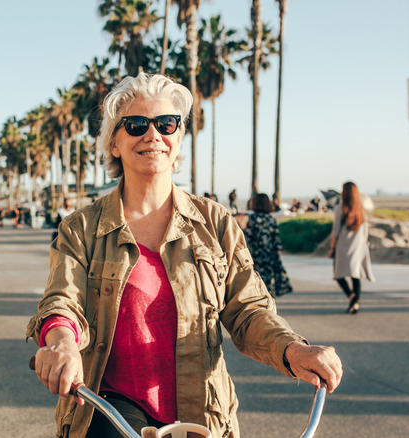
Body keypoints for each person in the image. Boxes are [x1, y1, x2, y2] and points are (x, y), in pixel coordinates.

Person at [26, 72, 342, 438]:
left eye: (166, 123)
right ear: (113, 143)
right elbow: (62, 302)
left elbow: (248, 310)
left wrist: (292, 350)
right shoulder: (81, 228)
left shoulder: (216, 222)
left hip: (203, 413)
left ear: (178, 137)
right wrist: (61, 343)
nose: (153, 134)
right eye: (136, 124)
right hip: (112, 411)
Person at [328, 181, 374, 314]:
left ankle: (351, 297)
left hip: (343, 245)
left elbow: (335, 231)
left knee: (338, 275)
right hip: (358, 246)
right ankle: (355, 300)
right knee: (356, 274)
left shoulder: (339, 209)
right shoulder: (361, 210)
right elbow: (365, 233)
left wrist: (332, 248)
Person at [244, 193, 293, 296]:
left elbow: (247, 239)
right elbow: (276, 240)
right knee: (269, 281)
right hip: (270, 254)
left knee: (256, 282)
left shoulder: (252, 220)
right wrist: (277, 256)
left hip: (256, 255)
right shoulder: (271, 219)